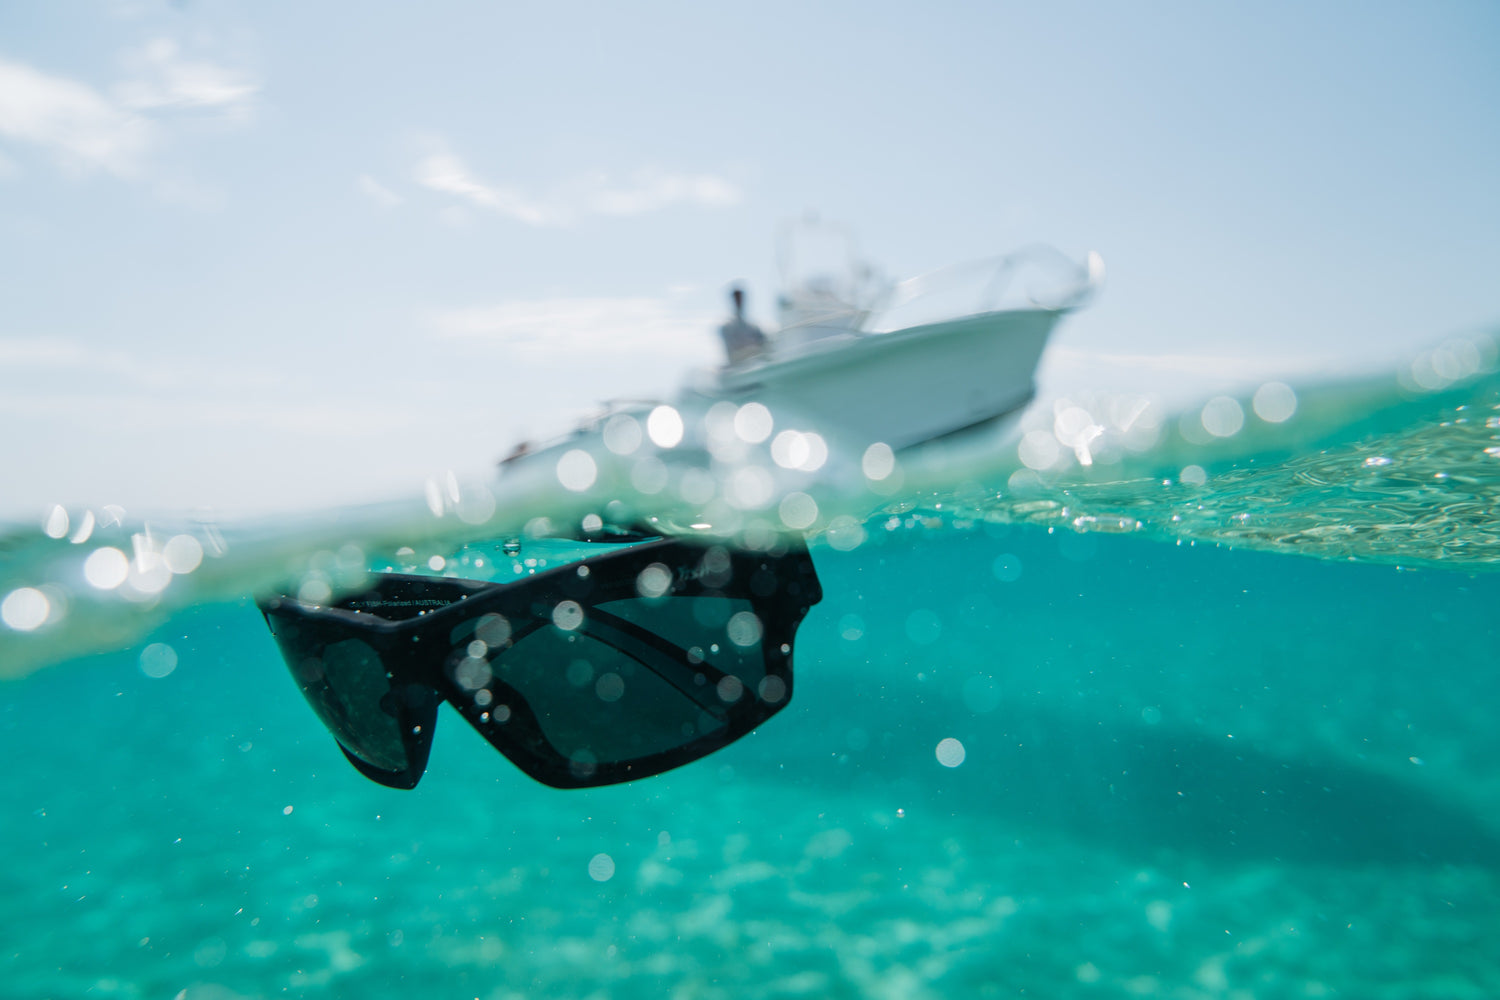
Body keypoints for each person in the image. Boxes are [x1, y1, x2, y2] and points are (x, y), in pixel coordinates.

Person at [718, 286, 768, 366]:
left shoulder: (754, 327)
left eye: (740, 298)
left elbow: (765, 345)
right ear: (733, 300)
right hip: (740, 368)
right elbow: (733, 354)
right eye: (737, 298)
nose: (739, 301)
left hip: (757, 364)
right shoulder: (726, 327)